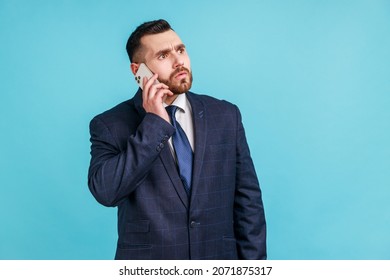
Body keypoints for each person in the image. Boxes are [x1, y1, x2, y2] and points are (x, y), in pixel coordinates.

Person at [87, 19, 266, 260]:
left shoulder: (225, 115)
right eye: (163, 56)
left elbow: (248, 204)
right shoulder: (109, 124)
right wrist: (154, 124)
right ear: (138, 71)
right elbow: (106, 192)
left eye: (180, 50)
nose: (178, 61)